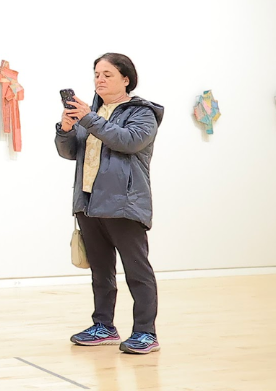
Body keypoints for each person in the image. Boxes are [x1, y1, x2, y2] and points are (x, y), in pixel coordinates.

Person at [55, 53, 165, 355]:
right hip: (89, 203)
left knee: (137, 271)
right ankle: (103, 326)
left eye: (107, 74)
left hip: (125, 204)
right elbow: (70, 152)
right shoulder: (91, 113)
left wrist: (88, 118)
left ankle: (146, 332)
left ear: (125, 79)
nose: (99, 80)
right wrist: (65, 129)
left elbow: (127, 141)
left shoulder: (142, 113)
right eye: (96, 74)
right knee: (100, 271)